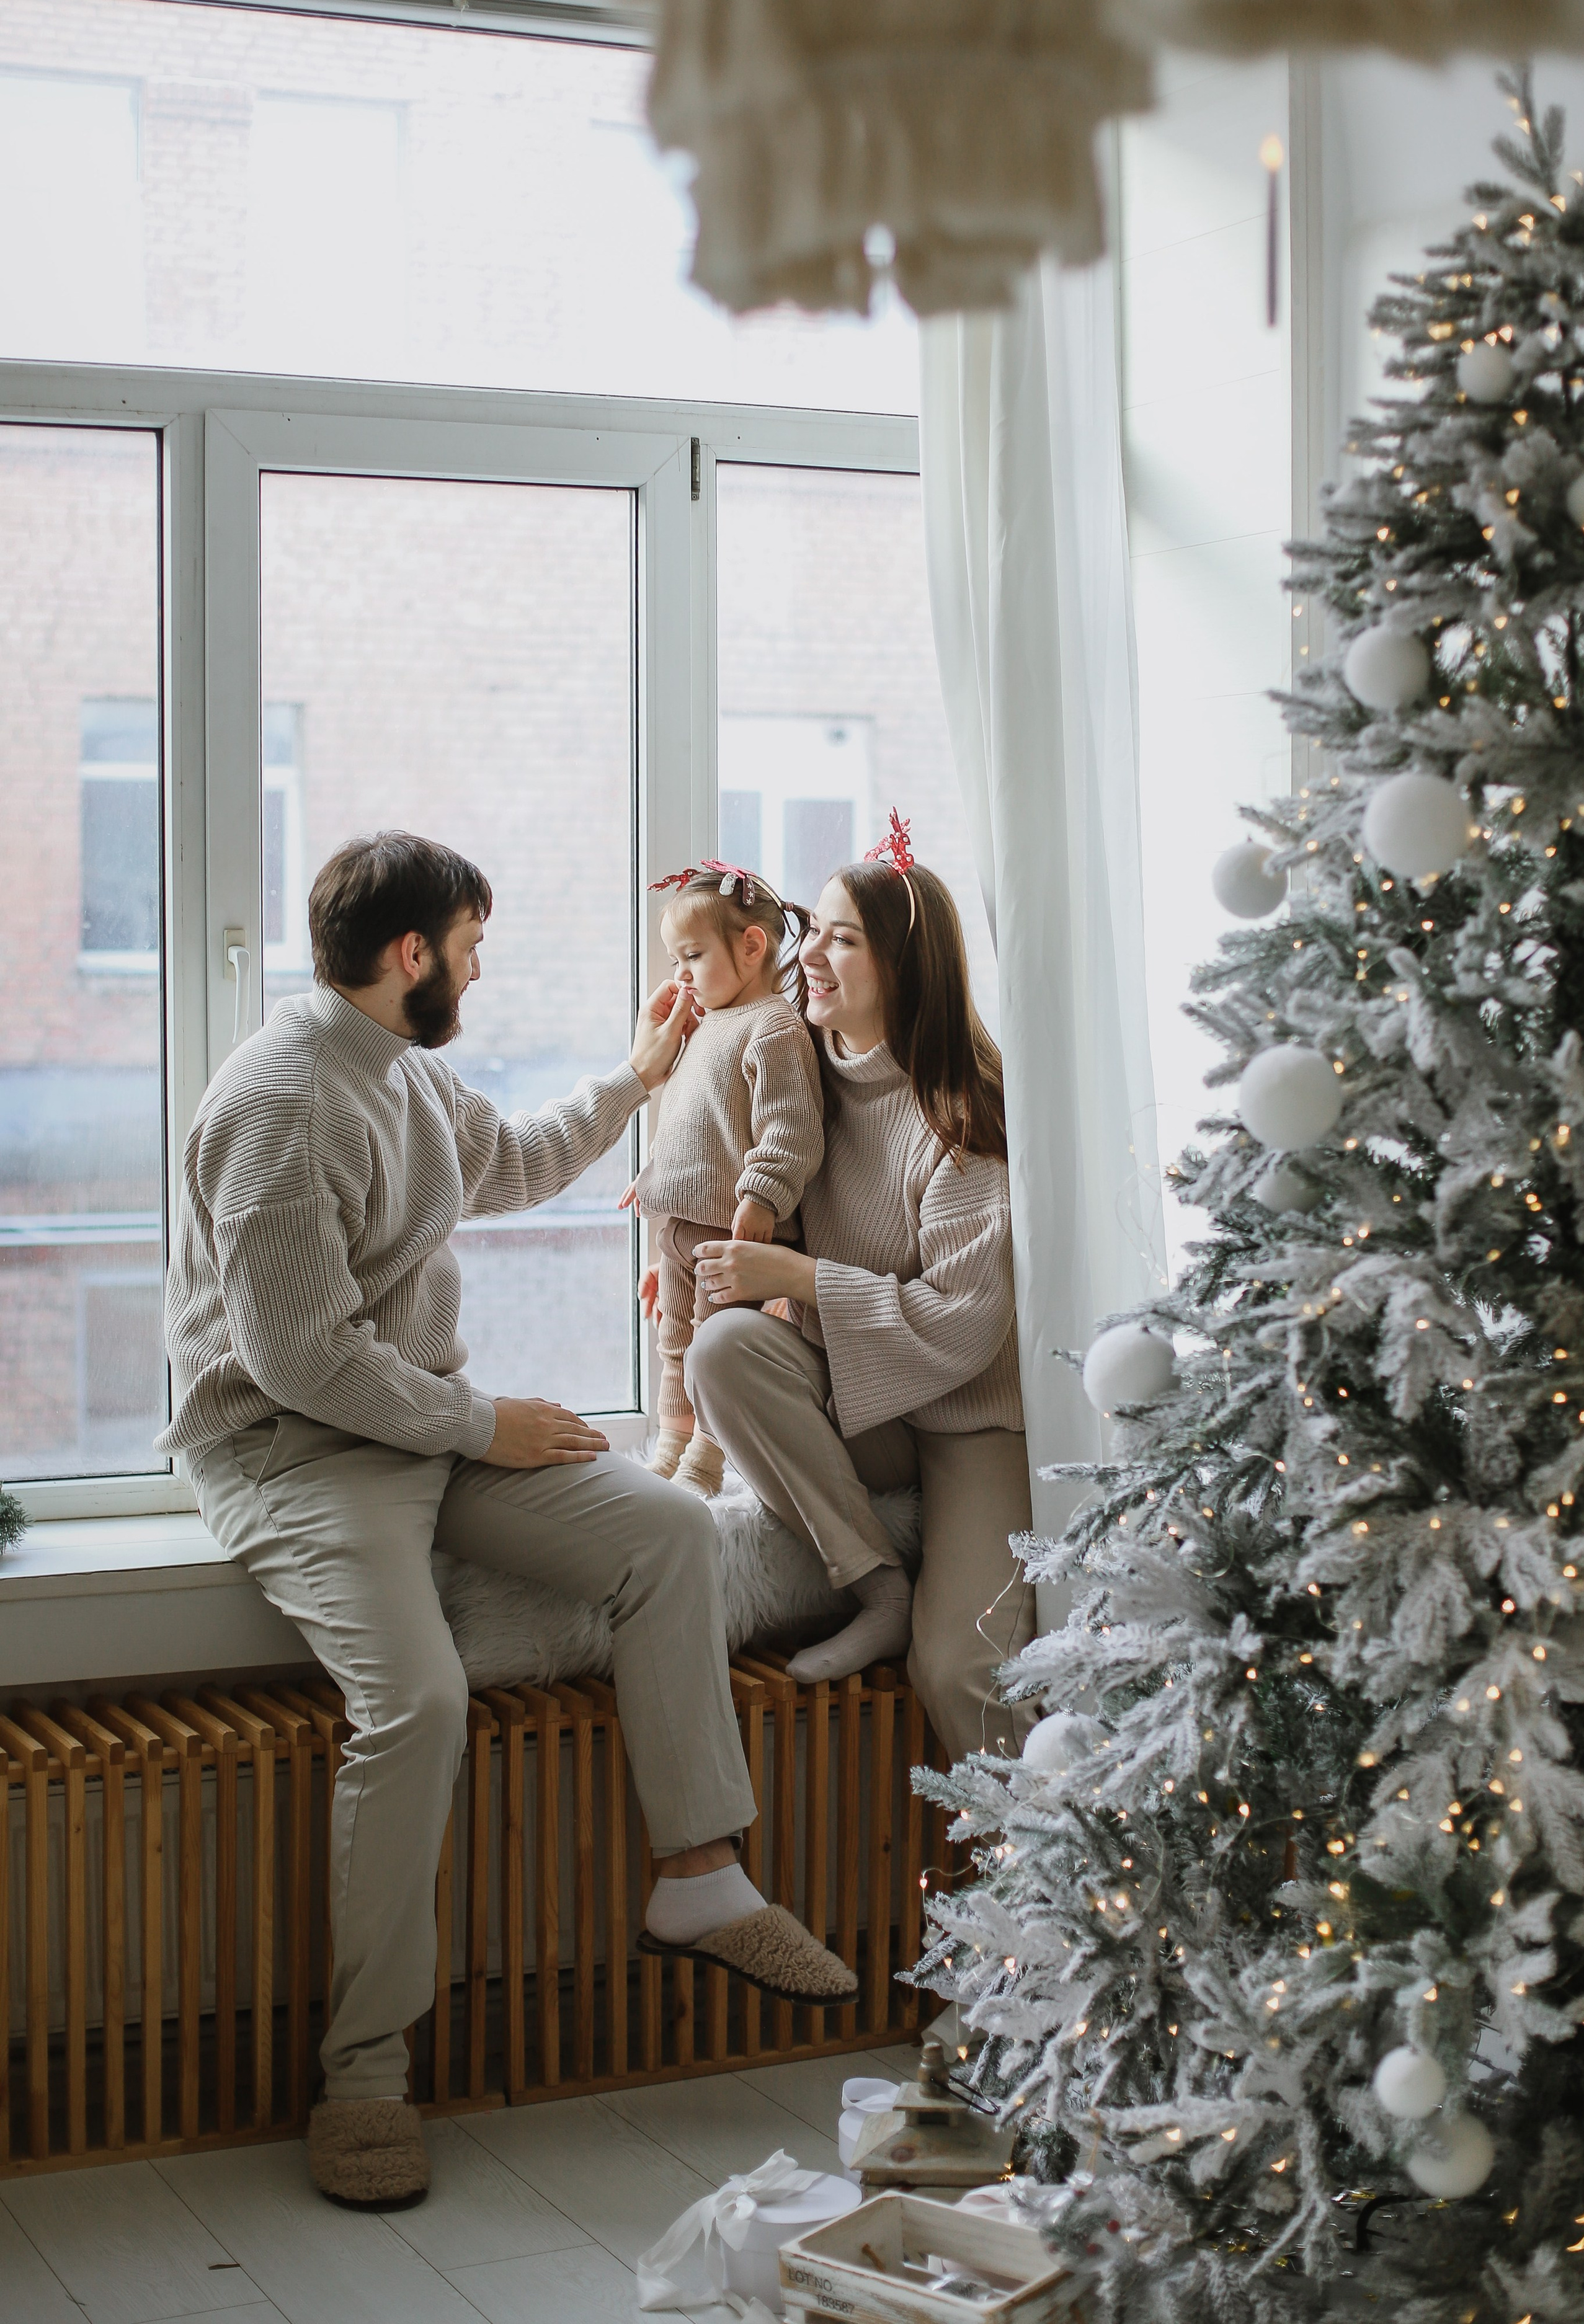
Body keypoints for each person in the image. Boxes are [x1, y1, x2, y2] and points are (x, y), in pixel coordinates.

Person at [159, 831, 854, 2213]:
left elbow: (515, 1162)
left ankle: (700, 1877)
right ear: (408, 955)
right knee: (412, 1703)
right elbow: (298, 1357)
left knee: (663, 1532)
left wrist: (638, 1078)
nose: (480, 968)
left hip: (415, 1416)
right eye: (470, 947)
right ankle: (363, 2073)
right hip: (299, 1449)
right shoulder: (284, 1102)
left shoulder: (400, 1070)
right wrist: (484, 1427)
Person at [685, 814, 1038, 1762]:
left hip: (970, 1421)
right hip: (866, 1405)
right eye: (816, 936)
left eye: (845, 940)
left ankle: (1036, 1894)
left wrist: (800, 1277)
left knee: (961, 1670)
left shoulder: (963, 1120)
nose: (815, 960)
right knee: (722, 1350)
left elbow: (965, 1327)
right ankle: (877, 1585)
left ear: (904, 967)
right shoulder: (802, 1078)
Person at [624, 861, 823, 1498]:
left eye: (692, 955)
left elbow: (791, 1130)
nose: (679, 973)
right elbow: (691, 1122)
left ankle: (705, 1464)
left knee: (712, 1351)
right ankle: (670, 1446)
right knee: (673, 1339)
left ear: (750, 946)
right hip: (681, 1225)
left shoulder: (774, 1028)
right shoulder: (708, 1025)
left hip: (728, 1228)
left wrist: (763, 1194)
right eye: (673, 958)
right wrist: (652, 1177)